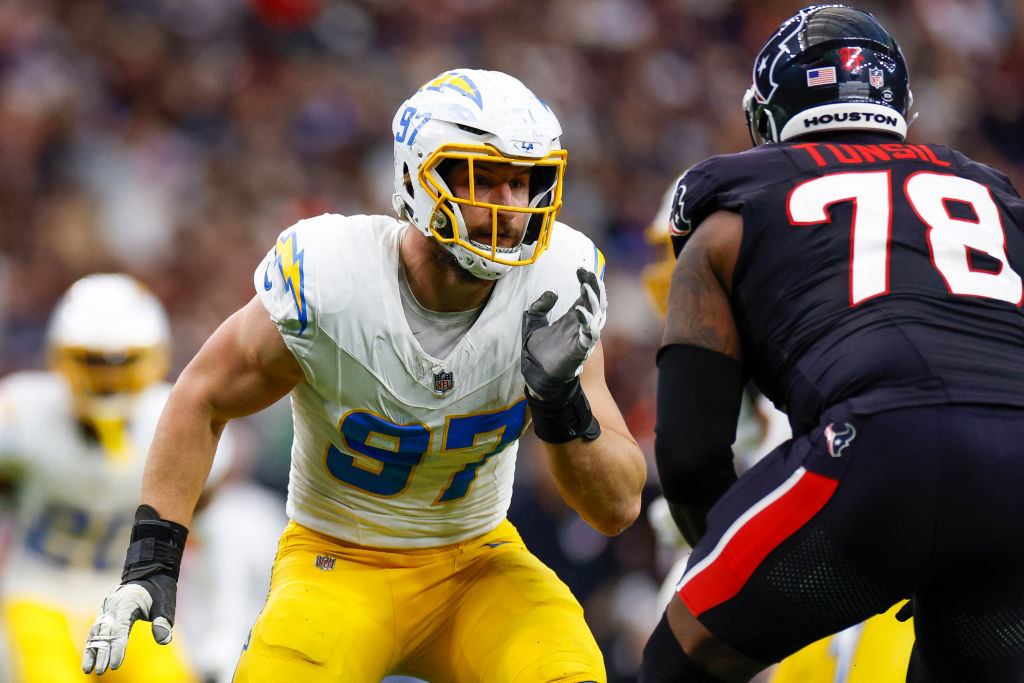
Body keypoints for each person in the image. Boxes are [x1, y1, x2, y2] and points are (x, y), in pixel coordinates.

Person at [81, 68, 647, 682]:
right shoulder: (332, 277)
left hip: (478, 564)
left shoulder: (556, 285)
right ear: (415, 177)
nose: (508, 209)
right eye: (485, 179)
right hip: (335, 561)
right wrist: (153, 561)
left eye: (522, 182)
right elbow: (202, 396)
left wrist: (563, 405)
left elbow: (616, 506)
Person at [639, 5, 1024, 683]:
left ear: (770, 115)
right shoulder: (995, 197)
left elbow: (691, 455)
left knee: (681, 659)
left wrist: (750, 556)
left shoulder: (731, 215)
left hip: (880, 448)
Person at [643, 178, 914, 683]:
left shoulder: (803, 365)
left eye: (682, 250)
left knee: (682, 637)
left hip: (864, 599)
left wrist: (722, 514)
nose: (671, 273)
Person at [0, 273, 232, 682]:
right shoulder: (21, 417)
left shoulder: (176, 422)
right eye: (91, 361)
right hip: (37, 595)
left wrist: (219, 633)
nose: (107, 377)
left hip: (134, 597)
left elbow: (212, 541)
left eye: (123, 362)